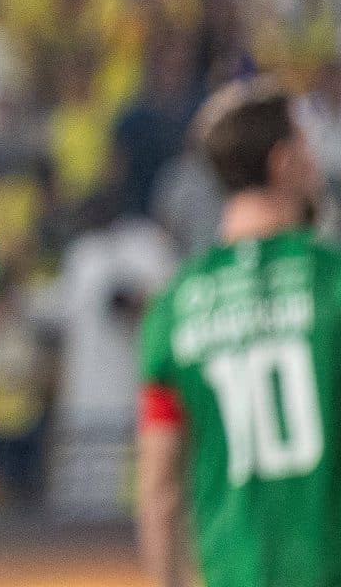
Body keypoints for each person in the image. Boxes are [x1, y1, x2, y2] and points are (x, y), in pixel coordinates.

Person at [135, 78, 341, 587]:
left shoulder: (174, 307)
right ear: (282, 162)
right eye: (306, 149)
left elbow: (160, 493)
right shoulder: (332, 283)